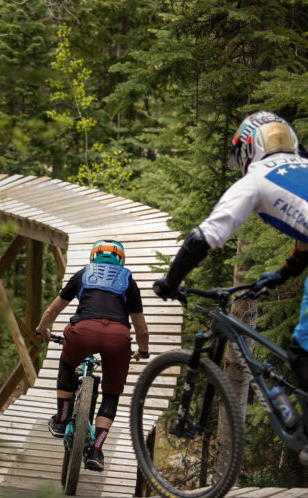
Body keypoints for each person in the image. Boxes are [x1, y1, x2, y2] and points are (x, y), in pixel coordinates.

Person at [153, 110, 308, 392]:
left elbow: (203, 237)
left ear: (249, 148)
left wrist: (170, 281)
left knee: (303, 353)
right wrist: (284, 273)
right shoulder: (303, 166)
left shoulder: (256, 178)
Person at [35, 239, 149, 472]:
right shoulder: (128, 280)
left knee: (67, 364)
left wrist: (42, 329)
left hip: (83, 332)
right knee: (111, 392)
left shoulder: (83, 274)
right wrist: (143, 350)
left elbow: (52, 310)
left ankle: (62, 419)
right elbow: (141, 328)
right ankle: (96, 450)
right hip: (118, 338)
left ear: (93, 257)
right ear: (121, 259)